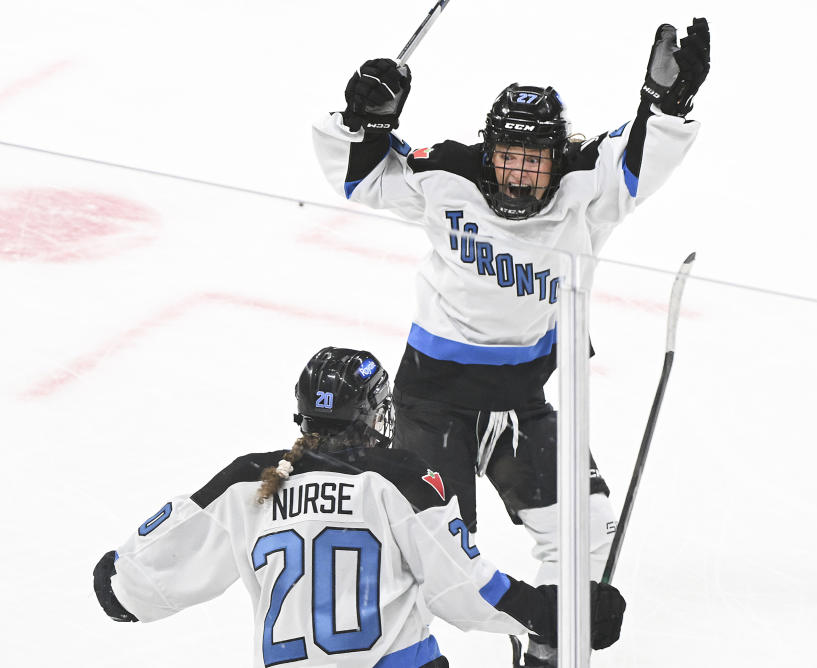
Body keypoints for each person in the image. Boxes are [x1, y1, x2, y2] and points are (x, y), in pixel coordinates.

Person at [313, 18, 709, 666]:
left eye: (535, 161)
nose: (521, 176)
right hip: (431, 398)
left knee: (588, 529)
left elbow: (639, 151)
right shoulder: (448, 176)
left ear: (559, 156)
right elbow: (361, 178)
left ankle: (548, 646)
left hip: (521, 399)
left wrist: (665, 104)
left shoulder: (588, 189)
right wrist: (366, 120)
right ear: (487, 151)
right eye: (509, 158)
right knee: (429, 552)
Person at [92, 347, 626, 667]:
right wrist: (560, 615)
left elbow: (134, 583)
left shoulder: (253, 480)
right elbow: (465, 591)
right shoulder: (400, 479)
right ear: (374, 415)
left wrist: (119, 584)